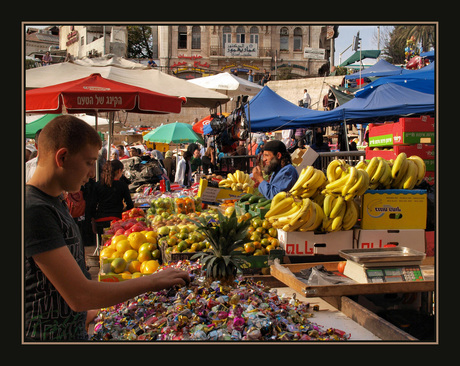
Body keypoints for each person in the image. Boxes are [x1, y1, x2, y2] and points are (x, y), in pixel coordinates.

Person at [25, 115, 189, 341]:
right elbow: (79, 294)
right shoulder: (34, 210)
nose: (92, 173)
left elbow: (58, 289)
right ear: (62, 157)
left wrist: (88, 312)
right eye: (88, 162)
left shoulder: (55, 202)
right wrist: (152, 281)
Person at [89, 159, 134, 243]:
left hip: (100, 220)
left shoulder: (98, 185)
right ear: (119, 171)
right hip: (116, 221)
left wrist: (93, 220)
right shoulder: (122, 185)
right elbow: (130, 205)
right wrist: (123, 212)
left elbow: (92, 204)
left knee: (103, 245)